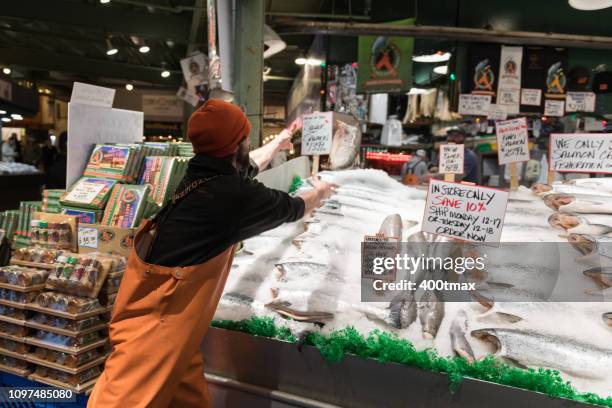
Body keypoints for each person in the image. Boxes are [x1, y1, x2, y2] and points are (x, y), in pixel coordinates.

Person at [88, 100, 334, 408]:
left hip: (170, 321)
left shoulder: (200, 175)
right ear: (237, 144)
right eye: (246, 137)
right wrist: (321, 193)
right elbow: (292, 207)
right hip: (156, 329)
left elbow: (247, 167)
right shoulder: (232, 197)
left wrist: (278, 144)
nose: (249, 142)